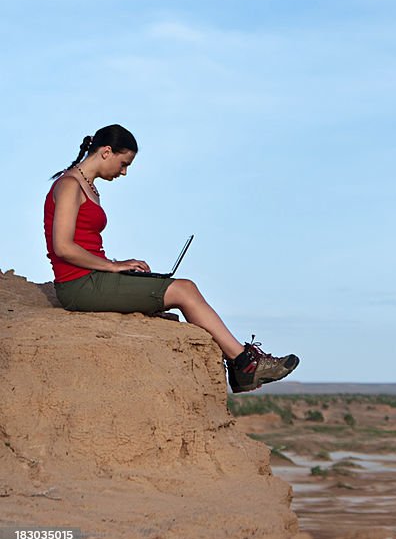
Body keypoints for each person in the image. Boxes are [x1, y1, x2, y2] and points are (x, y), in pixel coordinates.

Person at [43, 124, 298, 393]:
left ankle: (242, 366)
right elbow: (63, 247)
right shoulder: (70, 185)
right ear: (106, 152)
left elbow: (84, 243)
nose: (124, 172)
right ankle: (244, 365)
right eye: (123, 163)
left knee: (176, 286)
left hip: (93, 278)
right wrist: (112, 266)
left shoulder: (88, 186)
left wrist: (121, 268)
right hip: (79, 286)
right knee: (184, 289)